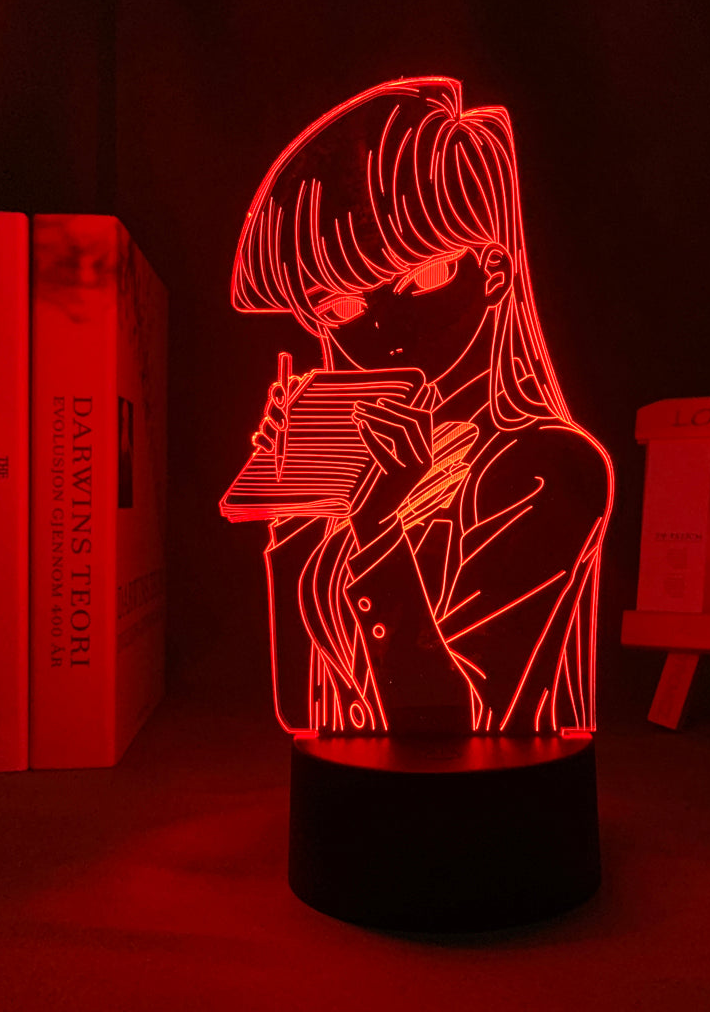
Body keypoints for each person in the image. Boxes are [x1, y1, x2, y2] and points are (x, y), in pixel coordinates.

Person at [231, 76, 613, 735]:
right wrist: (302, 495)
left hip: (487, 791)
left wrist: (378, 526)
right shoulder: (371, 461)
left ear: (493, 272)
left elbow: (450, 725)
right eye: (339, 306)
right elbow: (304, 708)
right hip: (351, 785)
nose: (383, 329)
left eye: (419, 279)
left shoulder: (545, 466)